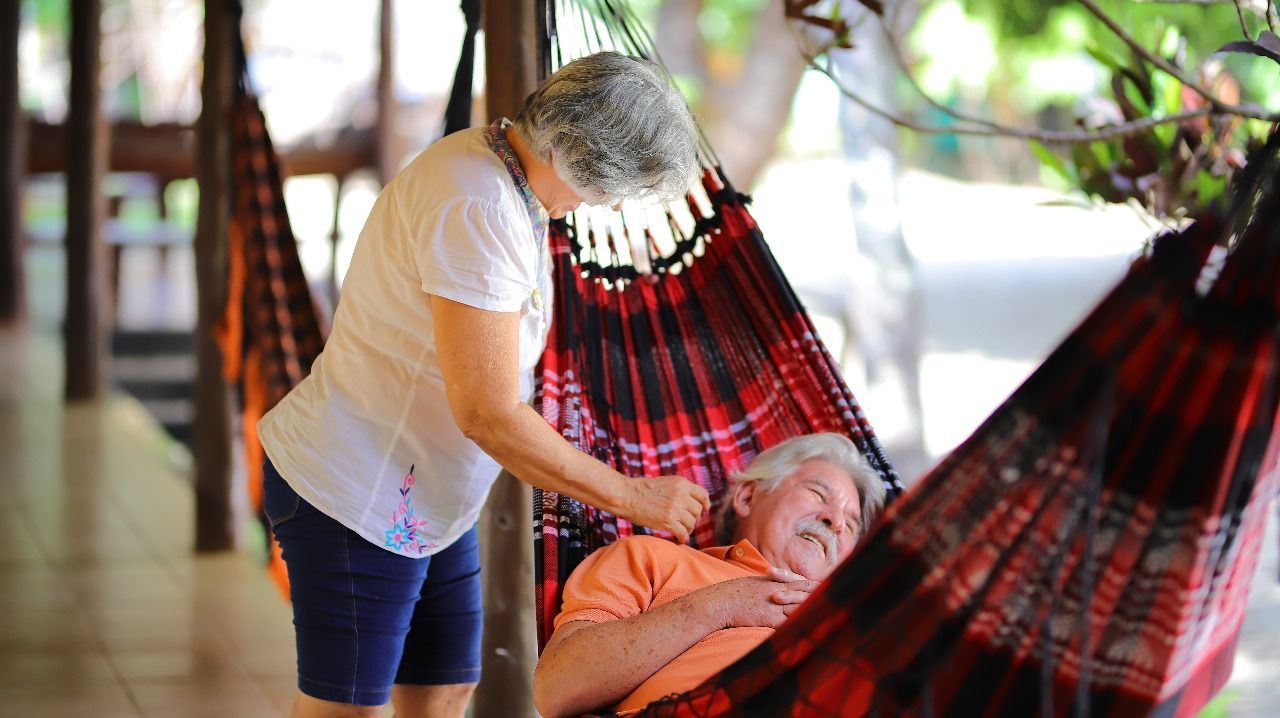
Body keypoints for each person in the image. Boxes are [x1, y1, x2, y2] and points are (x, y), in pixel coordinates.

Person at [257, 51, 709, 718]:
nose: (610, 204)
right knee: (346, 711)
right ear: (572, 152)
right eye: (613, 186)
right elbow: (488, 414)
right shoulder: (478, 206)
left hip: (424, 500)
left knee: (445, 690)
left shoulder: (500, 169)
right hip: (356, 493)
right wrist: (632, 496)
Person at [532, 433, 887, 717]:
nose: (834, 521)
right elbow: (558, 687)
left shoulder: (860, 623)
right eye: (817, 493)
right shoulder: (652, 557)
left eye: (850, 524)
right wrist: (725, 604)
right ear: (747, 497)